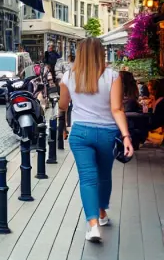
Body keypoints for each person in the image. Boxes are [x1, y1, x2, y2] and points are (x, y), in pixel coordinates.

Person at [58, 38, 133, 243]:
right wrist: (126, 136)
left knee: (88, 178)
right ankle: (101, 214)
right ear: (101, 53)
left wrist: (62, 107)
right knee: (104, 175)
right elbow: (117, 109)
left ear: (79, 53)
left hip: (80, 133)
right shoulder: (113, 76)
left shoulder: (68, 76)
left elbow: (63, 104)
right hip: (107, 133)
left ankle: (93, 224)